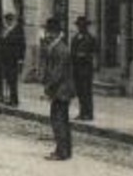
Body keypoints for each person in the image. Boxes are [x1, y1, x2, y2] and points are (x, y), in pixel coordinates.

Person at [41, 17, 74, 160]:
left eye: (48, 32)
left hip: (61, 90)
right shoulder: (56, 47)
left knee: (58, 120)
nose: (46, 35)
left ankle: (61, 151)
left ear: (54, 33)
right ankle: (64, 150)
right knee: (61, 120)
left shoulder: (60, 49)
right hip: (61, 89)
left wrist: (48, 88)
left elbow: (57, 72)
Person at [70, 15, 98, 121]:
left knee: (87, 92)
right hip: (77, 69)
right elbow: (72, 52)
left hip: (86, 69)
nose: (80, 27)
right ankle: (82, 112)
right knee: (80, 92)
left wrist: (84, 55)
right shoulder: (75, 38)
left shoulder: (90, 38)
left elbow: (93, 52)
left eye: (83, 26)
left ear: (86, 27)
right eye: (79, 25)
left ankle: (89, 114)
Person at [0, 12, 26, 107]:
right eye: (7, 20)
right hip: (5, 59)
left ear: (12, 20)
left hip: (13, 59)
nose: (8, 22)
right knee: (8, 79)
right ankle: (9, 98)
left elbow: (22, 45)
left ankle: (14, 99)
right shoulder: (5, 30)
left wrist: (21, 58)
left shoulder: (18, 30)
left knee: (13, 80)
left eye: (9, 20)